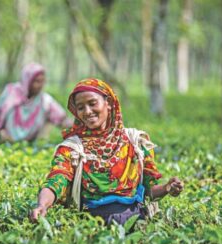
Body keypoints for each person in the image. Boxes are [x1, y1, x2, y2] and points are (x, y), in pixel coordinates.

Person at [31, 78, 184, 225]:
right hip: (92, 224)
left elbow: (149, 190)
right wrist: (43, 204)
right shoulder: (72, 148)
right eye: (80, 107)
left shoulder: (135, 142)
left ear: (108, 103)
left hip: (136, 221)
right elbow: (57, 179)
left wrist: (166, 188)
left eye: (92, 103)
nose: (87, 111)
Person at [0, 63, 72, 146]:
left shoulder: (44, 100)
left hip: (30, 142)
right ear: (27, 80)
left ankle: (38, 146)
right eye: (37, 81)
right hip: (5, 139)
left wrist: (79, 127)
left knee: (49, 120)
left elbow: (62, 118)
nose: (40, 85)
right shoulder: (10, 92)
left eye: (42, 81)